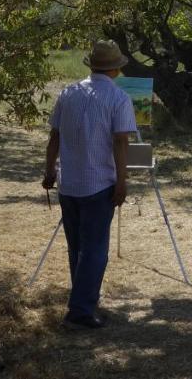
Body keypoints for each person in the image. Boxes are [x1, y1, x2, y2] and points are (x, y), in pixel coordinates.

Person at [41, 40, 137, 329]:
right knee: (95, 249)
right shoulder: (118, 98)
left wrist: (49, 171)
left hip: (69, 182)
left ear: (92, 65)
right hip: (99, 182)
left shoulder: (70, 92)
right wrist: (122, 181)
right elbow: (120, 142)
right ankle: (80, 310)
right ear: (117, 69)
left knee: (77, 247)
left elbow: (54, 137)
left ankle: (85, 299)